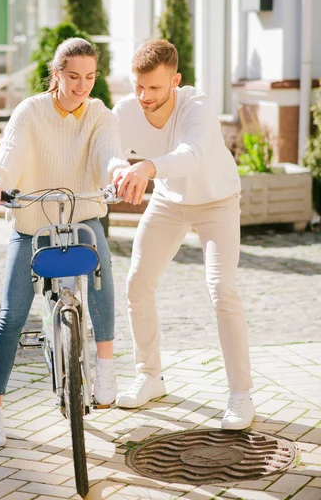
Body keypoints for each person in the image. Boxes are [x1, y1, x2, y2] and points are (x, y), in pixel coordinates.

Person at [0, 37, 129, 447]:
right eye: (74, 77)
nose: (83, 86)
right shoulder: (30, 112)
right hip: (31, 223)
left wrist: (118, 173)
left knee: (102, 274)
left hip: (81, 216)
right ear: (56, 73)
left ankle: (106, 364)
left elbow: (110, 153)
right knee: (11, 315)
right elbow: (8, 155)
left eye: (91, 78)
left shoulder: (99, 115)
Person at [112, 39, 255, 430]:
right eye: (138, 86)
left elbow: (191, 154)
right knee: (137, 283)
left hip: (217, 202)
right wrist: (117, 170)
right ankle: (150, 376)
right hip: (170, 203)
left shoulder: (199, 106)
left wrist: (145, 169)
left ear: (175, 80)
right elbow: (110, 147)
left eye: (155, 88)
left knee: (222, 290)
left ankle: (241, 395)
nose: (144, 96)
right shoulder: (126, 109)